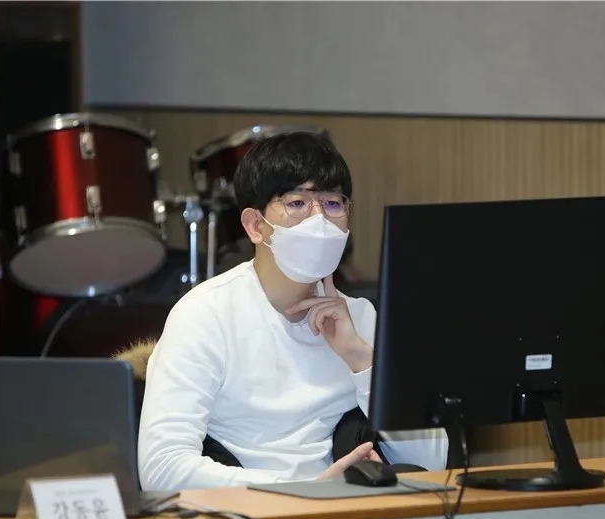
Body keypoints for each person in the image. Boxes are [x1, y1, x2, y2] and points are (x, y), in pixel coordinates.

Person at [137, 132, 448, 491]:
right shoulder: (204, 314)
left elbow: (431, 463)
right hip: (250, 513)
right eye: (297, 203)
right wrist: (306, 487)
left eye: (332, 203)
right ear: (255, 226)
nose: (319, 219)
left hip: (350, 510)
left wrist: (361, 358)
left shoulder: (360, 317)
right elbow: (162, 468)